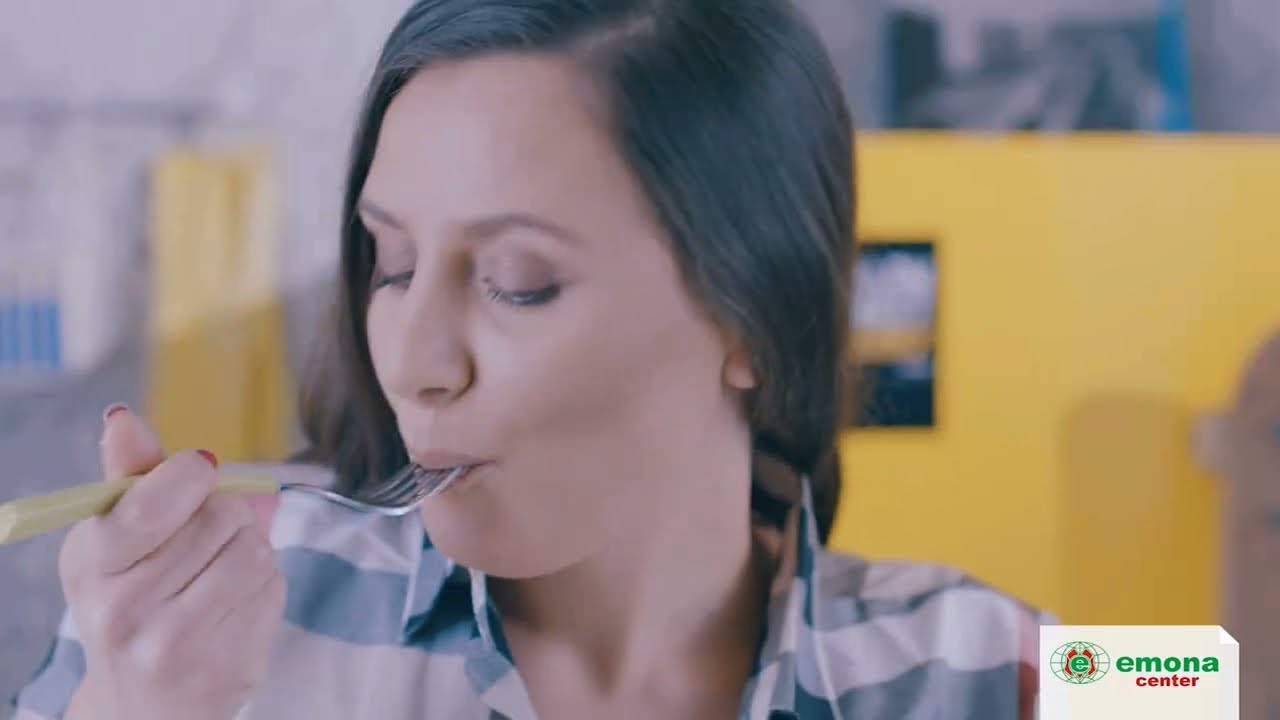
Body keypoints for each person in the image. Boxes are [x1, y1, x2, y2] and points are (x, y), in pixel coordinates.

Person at [13, 1, 1051, 718]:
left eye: (517, 281)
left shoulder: (987, 660)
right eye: (391, 264)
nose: (416, 362)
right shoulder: (181, 628)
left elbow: (1158, 680)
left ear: (752, 316)